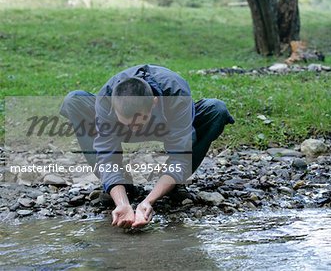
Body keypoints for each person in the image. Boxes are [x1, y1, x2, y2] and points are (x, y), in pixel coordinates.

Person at [60, 64, 234, 228]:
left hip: (168, 122)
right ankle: (120, 185)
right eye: (128, 123)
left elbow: (181, 155)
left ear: (154, 102)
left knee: (216, 110)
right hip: (116, 122)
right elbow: (107, 155)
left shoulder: (176, 93)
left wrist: (148, 201)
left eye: (140, 121)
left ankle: (174, 184)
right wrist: (122, 203)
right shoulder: (106, 100)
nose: (134, 129)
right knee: (74, 100)